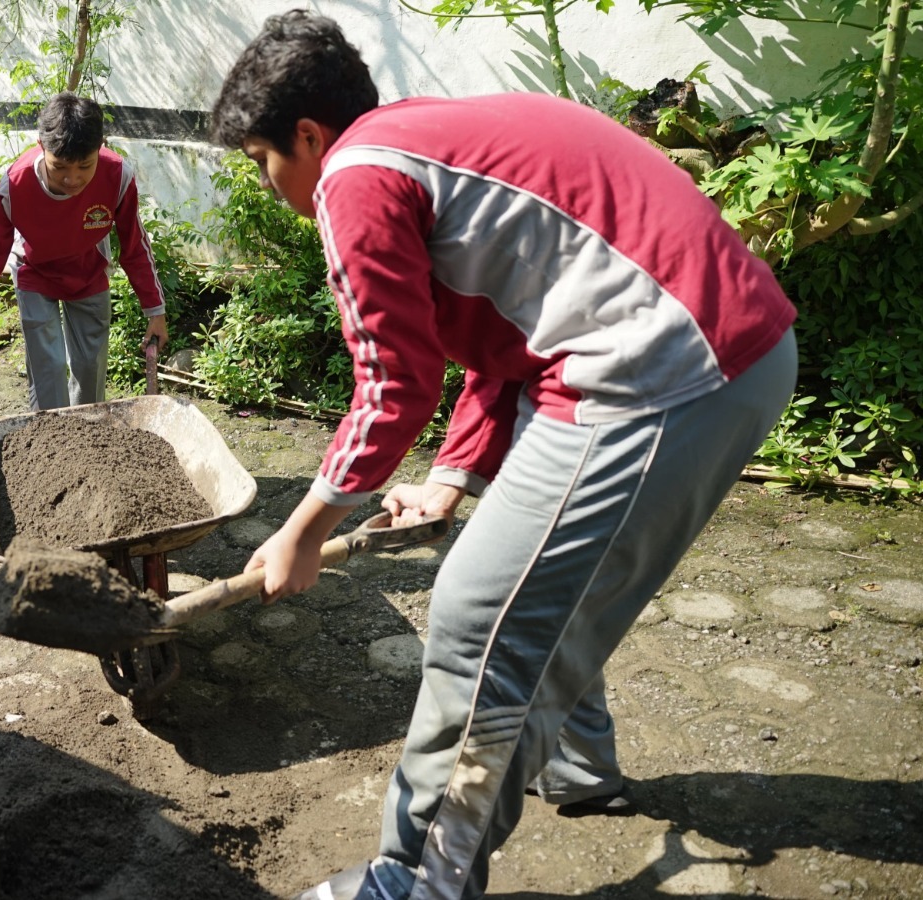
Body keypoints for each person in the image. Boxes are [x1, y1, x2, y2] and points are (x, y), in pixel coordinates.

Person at [209, 11, 797, 900]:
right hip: (727, 356)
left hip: (655, 370)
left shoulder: (355, 172)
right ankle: (578, 767)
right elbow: (513, 337)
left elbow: (392, 384)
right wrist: (450, 481)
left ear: (307, 134)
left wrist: (300, 531)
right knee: (546, 576)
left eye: (261, 162)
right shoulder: (432, 138)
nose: (269, 184)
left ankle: (415, 881)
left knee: (481, 611)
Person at [0, 92, 168, 410]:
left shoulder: (116, 176)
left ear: (101, 146)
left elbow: (134, 246)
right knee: (47, 366)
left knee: (90, 366)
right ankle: (52, 442)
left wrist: (155, 311)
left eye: (84, 166)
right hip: (35, 272)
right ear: (41, 144)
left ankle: (87, 434)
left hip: (88, 271)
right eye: (60, 166)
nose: (72, 178)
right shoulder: (15, 185)